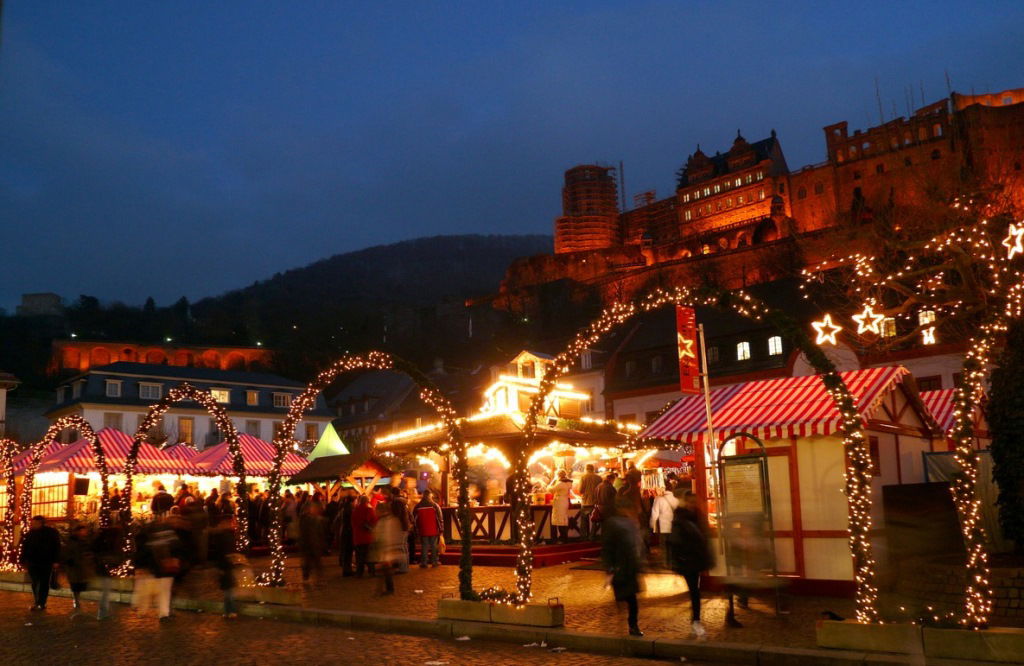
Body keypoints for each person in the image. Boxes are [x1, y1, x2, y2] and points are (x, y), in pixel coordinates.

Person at [669, 491, 713, 639]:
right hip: (687, 560)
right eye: (690, 502)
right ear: (685, 502)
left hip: (695, 559)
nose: (692, 505)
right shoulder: (681, 519)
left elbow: (704, 537)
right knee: (695, 591)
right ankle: (695, 620)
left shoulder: (696, 517)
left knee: (695, 591)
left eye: (694, 502)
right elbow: (675, 541)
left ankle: (695, 619)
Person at [601, 498, 644, 637]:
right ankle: (630, 624)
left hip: (627, 566)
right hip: (622, 566)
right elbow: (608, 547)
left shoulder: (627, 523)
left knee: (630, 599)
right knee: (628, 598)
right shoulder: (616, 524)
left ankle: (631, 624)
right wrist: (610, 567)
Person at [133, 517, 183, 621]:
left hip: (156, 568)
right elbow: (178, 548)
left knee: (161, 591)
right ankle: (164, 613)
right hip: (167, 568)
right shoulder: (170, 535)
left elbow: (144, 553)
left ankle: (150, 610)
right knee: (165, 592)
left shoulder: (150, 538)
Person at [19, 516, 61, 611]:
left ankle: (41, 602)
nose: (33, 525)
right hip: (33, 562)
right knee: (34, 582)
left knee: (44, 582)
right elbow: (24, 547)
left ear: (41, 523)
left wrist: (56, 560)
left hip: (46, 561)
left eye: (35, 523)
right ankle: (37, 601)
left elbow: (56, 547)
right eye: (32, 523)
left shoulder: (51, 533)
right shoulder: (30, 534)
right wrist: (22, 559)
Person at [371, 498, 405, 595]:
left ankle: (384, 589)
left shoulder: (388, 521)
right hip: (386, 550)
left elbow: (389, 535)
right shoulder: (385, 521)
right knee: (385, 571)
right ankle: (385, 589)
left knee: (384, 571)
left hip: (388, 550)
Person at [208, 514, 239, 617]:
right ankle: (230, 610)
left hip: (226, 564)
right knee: (228, 590)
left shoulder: (223, 535)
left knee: (228, 589)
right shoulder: (225, 535)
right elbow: (223, 551)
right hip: (226, 563)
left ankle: (229, 610)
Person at [92, 523, 123, 619]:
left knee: (105, 590)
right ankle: (102, 612)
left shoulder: (101, 539)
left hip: (102, 568)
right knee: (105, 591)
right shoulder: (110, 542)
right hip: (104, 569)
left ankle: (104, 611)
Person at [63, 523, 96, 612]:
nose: (84, 532)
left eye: (85, 530)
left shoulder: (86, 541)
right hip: (74, 566)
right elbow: (68, 552)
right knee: (75, 584)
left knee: (81, 583)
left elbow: (89, 550)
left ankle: (77, 598)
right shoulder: (72, 541)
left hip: (83, 566)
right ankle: (76, 599)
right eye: (82, 530)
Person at [649, 487, 679, 569]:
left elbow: (655, 513)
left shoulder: (659, 499)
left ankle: (665, 563)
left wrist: (652, 524)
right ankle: (673, 563)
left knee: (664, 545)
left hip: (663, 526)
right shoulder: (676, 500)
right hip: (673, 526)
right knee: (672, 545)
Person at [413, 490, 443, 567]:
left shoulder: (418, 506)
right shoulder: (435, 505)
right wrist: (441, 529)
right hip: (433, 529)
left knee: (424, 546)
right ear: (430, 495)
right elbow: (439, 518)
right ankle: (434, 562)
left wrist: (416, 529)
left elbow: (414, 519)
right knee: (433, 546)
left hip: (423, 530)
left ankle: (424, 563)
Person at [298, 501, 325, 584]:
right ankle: (308, 577)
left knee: (315, 562)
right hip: (309, 543)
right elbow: (306, 532)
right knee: (309, 562)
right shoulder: (306, 519)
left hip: (313, 543)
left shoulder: (313, 518)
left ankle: (317, 578)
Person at [351, 494, 377, 577]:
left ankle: (359, 572)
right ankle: (372, 571)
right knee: (370, 555)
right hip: (368, 536)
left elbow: (353, 523)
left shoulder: (355, 510)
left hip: (358, 537)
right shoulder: (369, 510)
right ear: (367, 501)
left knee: (359, 556)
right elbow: (374, 521)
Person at [576, 464, 602, 541]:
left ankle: (583, 537)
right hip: (595, 502)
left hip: (585, 502)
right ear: (593, 469)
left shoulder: (583, 477)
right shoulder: (599, 478)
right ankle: (592, 536)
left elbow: (580, 490)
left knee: (584, 520)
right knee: (594, 520)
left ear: (586, 469)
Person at [334, 489, 356, 576]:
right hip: (347, 532)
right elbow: (350, 520)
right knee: (348, 551)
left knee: (346, 551)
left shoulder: (344, 507)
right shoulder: (349, 508)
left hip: (344, 531)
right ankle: (347, 570)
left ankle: (346, 569)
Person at [548, 469, 574, 543]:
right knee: (563, 519)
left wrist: (552, 481)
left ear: (558, 475)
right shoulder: (568, 483)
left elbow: (550, 490)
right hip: (564, 501)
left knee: (559, 520)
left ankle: (562, 538)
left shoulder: (560, 483)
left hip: (559, 502)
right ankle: (564, 537)